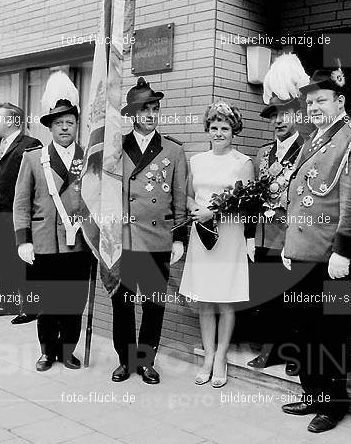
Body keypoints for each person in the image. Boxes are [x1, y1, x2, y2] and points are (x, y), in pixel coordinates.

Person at [280, 65, 351, 433]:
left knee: (330, 333)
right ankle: (312, 393)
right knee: (305, 329)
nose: (314, 106)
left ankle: (333, 404)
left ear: (340, 101)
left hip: (331, 254)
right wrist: (291, 244)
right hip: (304, 249)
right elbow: (298, 198)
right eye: (310, 101)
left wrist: (344, 250)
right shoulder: (313, 138)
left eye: (321, 100)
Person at [13, 71, 96, 371]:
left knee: (74, 301)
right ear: (49, 127)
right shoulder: (34, 158)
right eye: (59, 123)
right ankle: (47, 351)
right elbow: (21, 203)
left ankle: (68, 350)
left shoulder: (89, 159)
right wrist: (23, 241)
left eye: (70, 122)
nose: (65, 127)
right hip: (46, 242)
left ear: (77, 125)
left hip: (79, 242)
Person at [110, 77, 187, 385]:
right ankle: (125, 360)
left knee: (154, 303)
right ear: (132, 114)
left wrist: (180, 236)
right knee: (122, 304)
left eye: (155, 108)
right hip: (123, 239)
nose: (151, 114)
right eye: (145, 109)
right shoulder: (116, 149)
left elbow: (180, 197)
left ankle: (147, 360)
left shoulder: (173, 150)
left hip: (157, 238)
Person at [179, 101, 255, 388]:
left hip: (229, 236)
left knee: (224, 298)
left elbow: (247, 203)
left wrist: (216, 212)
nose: (219, 133)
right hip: (202, 235)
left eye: (224, 128)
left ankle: (221, 356)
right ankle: (208, 356)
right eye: (214, 128)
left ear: (233, 130)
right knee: (205, 298)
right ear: (207, 131)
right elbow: (187, 195)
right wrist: (196, 210)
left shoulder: (242, 163)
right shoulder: (197, 160)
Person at [246, 54, 306, 372]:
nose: (279, 120)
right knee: (268, 296)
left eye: (285, 113)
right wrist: (249, 237)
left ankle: (292, 352)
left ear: (297, 113)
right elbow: (255, 199)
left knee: (294, 299)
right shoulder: (262, 153)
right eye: (274, 115)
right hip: (264, 235)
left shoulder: (308, 150)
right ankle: (271, 349)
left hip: (293, 236)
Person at [0, 103, 42, 324]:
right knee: (1, 260)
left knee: (21, 260)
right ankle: (8, 303)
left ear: (11, 122)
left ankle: (31, 307)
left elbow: (35, 182)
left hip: (14, 212)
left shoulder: (30, 144)